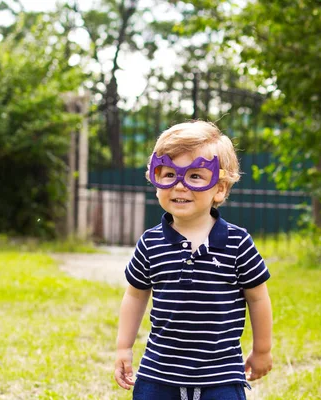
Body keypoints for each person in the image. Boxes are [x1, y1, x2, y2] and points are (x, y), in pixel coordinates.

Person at [114, 120, 273, 400]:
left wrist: (262, 350)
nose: (180, 186)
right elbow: (136, 295)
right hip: (158, 374)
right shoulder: (150, 243)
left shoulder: (238, 243)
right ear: (155, 179)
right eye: (169, 174)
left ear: (220, 189)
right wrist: (123, 347)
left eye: (196, 176)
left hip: (221, 375)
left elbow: (258, 298)